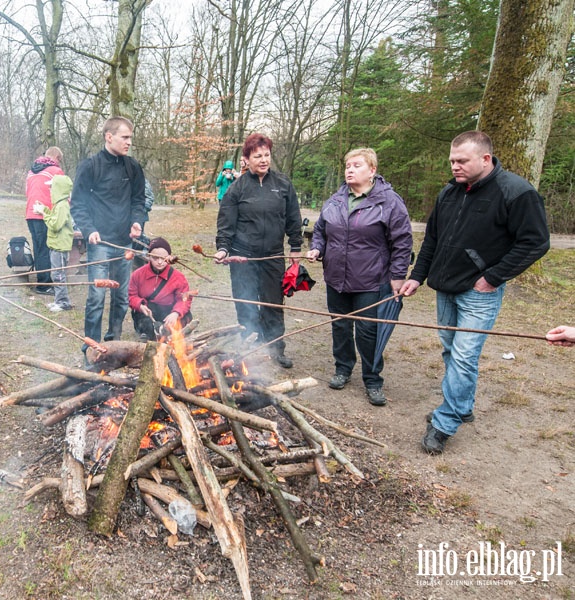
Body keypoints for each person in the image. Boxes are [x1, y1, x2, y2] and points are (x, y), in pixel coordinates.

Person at [399, 131, 550, 455]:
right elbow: (432, 240)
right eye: (452, 160)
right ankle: (462, 404)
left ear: (485, 159)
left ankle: (445, 422)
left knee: (465, 357)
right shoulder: (448, 193)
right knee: (452, 351)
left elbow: (535, 242)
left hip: (479, 293)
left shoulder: (517, 193)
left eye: (462, 161)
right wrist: (418, 277)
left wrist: (493, 277)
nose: (455, 166)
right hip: (446, 288)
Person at [307, 148, 412, 407]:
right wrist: (318, 247)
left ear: (372, 170)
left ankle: (372, 379)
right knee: (340, 326)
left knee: (367, 331)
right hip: (336, 278)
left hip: (370, 279)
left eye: (356, 165)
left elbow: (402, 241)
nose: (349, 170)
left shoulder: (389, 201)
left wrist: (398, 276)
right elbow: (320, 229)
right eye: (347, 166)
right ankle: (343, 369)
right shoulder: (336, 199)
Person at [214, 133, 303, 368]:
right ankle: (249, 348)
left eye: (266, 155)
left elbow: (294, 218)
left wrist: (295, 247)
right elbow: (226, 224)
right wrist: (223, 249)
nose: (263, 160)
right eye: (257, 156)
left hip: (273, 255)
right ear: (246, 159)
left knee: (274, 303)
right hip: (242, 256)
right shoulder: (237, 189)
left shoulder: (283, 185)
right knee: (245, 303)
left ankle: (276, 349)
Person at [71, 116, 146, 348]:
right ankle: (92, 345)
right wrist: (89, 229)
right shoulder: (90, 166)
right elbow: (78, 204)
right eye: (125, 137)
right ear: (109, 136)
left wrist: (137, 221)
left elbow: (138, 201)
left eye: (130, 138)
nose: (129, 142)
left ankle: (113, 343)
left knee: (121, 298)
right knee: (97, 297)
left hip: (124, 243)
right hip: (100, 243)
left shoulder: (132, 167)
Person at [128, 237, 193, 341]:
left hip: (169, 310)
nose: (159, 262)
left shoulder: (178, 277)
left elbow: (184, 299)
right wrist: (140, 305)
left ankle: (168, 333)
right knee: (144, 321)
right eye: (155, 258)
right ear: (148, 257)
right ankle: (149, 333)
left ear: (169, 257)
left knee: (185, 316)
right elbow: (131, 295)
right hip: (149, 312)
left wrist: (176, 313)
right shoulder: (138, 274)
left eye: (163, 258)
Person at [25, 147, 64, 295]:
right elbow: (63, 194)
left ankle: (42, 278)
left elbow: (27, 192)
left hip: (30, 213)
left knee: (39, 247)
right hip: (44, 214)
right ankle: (44, 284)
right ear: (56, 157)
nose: (59, 163)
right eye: (59, 160)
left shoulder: (31, 171)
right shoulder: (55, 171)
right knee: (46, 248)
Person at [35, 175, 75, 312]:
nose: (50, 190)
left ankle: (63, 302)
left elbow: (56, 224)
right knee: (55, 274)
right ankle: (58, 300)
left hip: (60, 246)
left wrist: (44, 214)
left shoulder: (63, 206)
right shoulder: (58, 205)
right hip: (55, 245)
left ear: (59, 189)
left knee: (59, 275)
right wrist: (44, 210)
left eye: (52, 187)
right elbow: (53, 218)